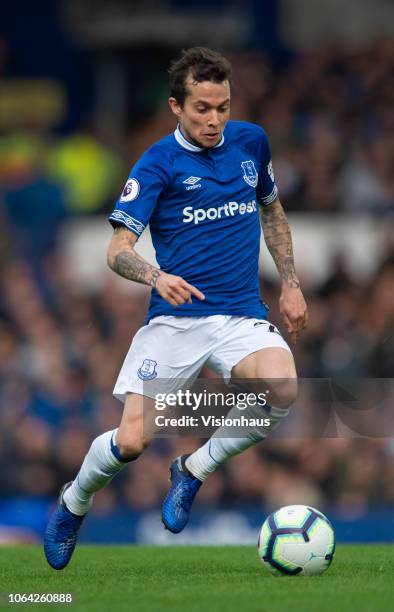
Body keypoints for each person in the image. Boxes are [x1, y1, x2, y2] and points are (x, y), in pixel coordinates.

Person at [44, 47, 308, 570]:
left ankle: (193, 469)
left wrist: (292, 282)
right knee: (133, 441)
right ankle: (74, 502)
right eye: (201, 109)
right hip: (174, 321)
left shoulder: (251, 143)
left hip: (238, 313)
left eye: (222, 107)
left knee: (283, 387)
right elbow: (117, 250)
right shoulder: (156, 163)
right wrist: (156, 274)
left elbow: (271, 210)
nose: (214, 120)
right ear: (175, 107)